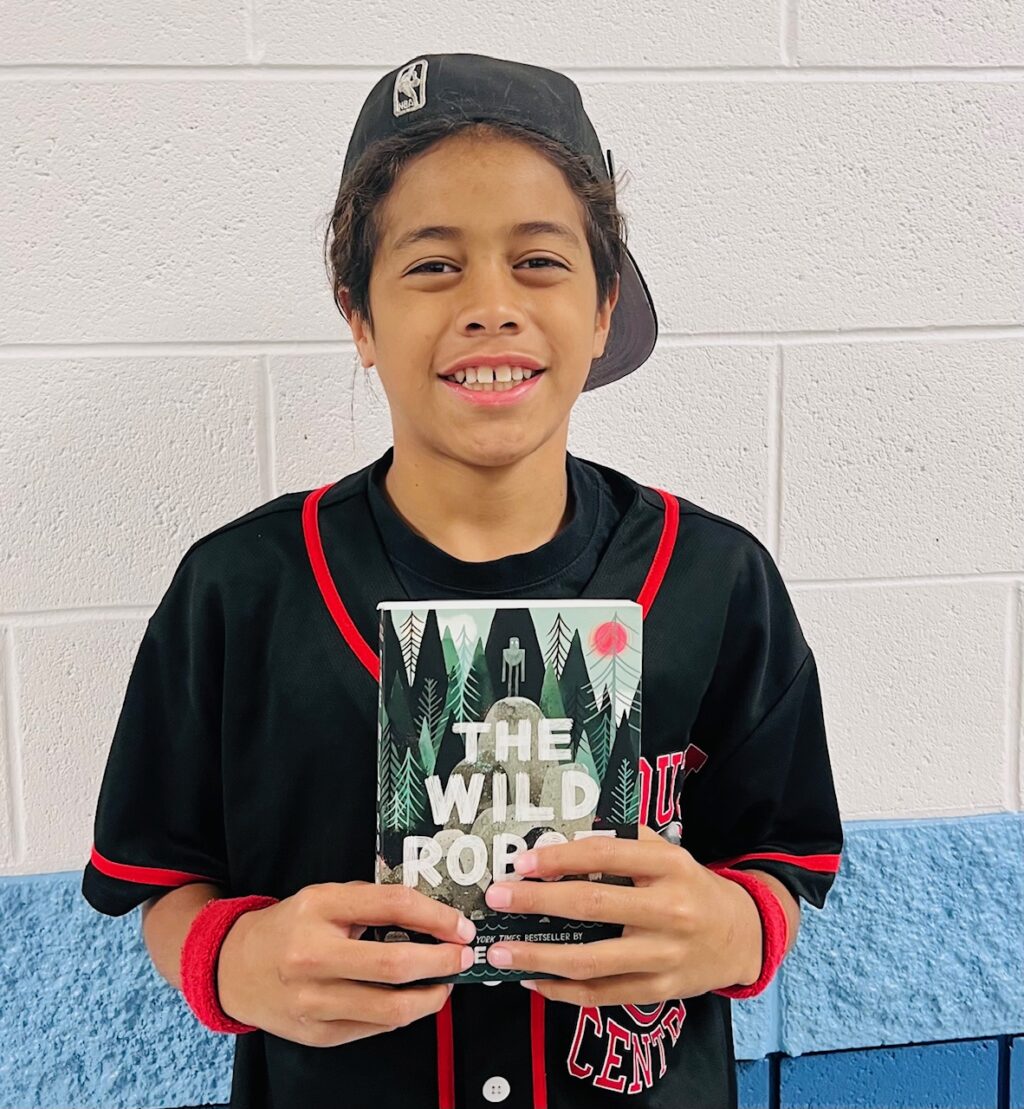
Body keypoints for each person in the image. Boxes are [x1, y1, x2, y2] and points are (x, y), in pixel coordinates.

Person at [81, 52, 843, 1109]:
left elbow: (783, 853)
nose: (491, 305)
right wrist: (232, 959)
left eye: (539, 261)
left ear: (603, 302)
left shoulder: (717, 580)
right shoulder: (237, 591)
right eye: (433, 265)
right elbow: (159, 874)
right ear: (359, 313)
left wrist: (735, 928)